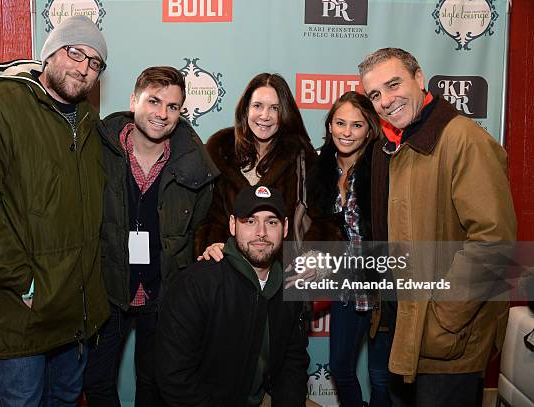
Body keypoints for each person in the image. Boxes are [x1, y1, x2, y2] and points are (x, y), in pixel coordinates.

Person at [0, 15, 109, 406]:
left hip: (76, 311)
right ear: (50, 51)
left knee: (65, 399)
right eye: (75, 53)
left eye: (95, 63)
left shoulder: (87, 119)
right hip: (23, 310)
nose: (84, 68)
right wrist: (23, 282)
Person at [359, 47, 517, 406]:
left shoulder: (463, 139)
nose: (386, 100)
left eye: (393, 84)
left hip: (448, 339)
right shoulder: (391, 146)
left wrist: (443, 317)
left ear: (419, 78)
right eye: (375, 94)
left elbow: (493, 241)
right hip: (404, 328)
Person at [82, 66, 219, 407]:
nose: (162, 114)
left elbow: (201, 224)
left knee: (155, 383)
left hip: (163, 291)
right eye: (154, 101)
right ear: (134, 100)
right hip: (107, 288)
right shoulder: (97, 150)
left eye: (173, 107)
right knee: (97, 381)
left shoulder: (195, 164)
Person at [156, 185, 310, 406]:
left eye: (271, 222)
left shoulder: (290, 287)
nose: (261, 233)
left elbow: (293, 364)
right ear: (232, 225)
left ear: (285, 228)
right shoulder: (197, 283)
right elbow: (174, 377)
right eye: (250, 221)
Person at [305, 91, 391, 407]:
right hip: (343, 287)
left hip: (381, 287)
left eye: (356, 125)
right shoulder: (319, 169)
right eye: (339, 123)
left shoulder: (384, 168)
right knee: (341, 368)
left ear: (370, 129)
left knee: (381, 375)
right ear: (329, 126)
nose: (346, 132)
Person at [194, 73, 317, 256]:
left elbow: (320, 219)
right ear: (246, 110)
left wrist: (314, 256)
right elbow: (208, 216)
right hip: (231, 268)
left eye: (274, 108)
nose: (264, 116)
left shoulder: (301, 156)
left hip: (282, 271)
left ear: (284, 113)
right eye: (257, 106)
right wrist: (213, 244)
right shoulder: (219, 151)